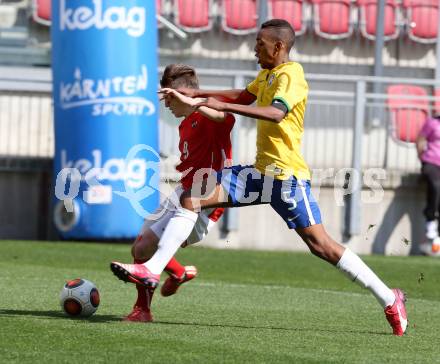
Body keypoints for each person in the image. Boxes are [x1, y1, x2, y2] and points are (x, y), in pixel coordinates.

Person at [111, 19, 408, 336]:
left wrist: (209, 103)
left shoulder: (292, 76)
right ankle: (152, 270)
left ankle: (391, 299)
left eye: (259, 45)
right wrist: (197, 94)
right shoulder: (266, 75)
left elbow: (276, 113)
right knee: (192, 195)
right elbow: (241, 96)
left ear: (278, 47)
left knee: (322, 247)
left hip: (287, 178)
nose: (254, 51)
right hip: (259, 172)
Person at [111, 64, 235, 322]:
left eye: (169, 97)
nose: (166, 104)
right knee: (142, 246)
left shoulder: (213, 116)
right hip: (184, 191)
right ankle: (144, 308)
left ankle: (174, 273)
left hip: (206, 198)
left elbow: (226, 118)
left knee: (152, 245)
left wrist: (194, 102)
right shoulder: (184, 125)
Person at [416, 114, 440, 256]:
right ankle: (430, 218)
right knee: (436, 186)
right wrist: (422, 158)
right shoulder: (432, 122)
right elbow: (420, 140)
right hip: (431, 162)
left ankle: (435, 240)